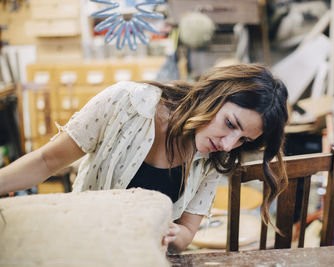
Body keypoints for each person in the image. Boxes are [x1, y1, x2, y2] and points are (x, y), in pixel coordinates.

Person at [0, 63, 289, 253]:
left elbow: (188, 231)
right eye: (229, 124)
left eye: (242, 140)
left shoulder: (214, 159)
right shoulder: (125, 104)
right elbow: (46, 162)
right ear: (214, 93)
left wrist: (174, 234)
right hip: (84, 246)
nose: (228, 145)